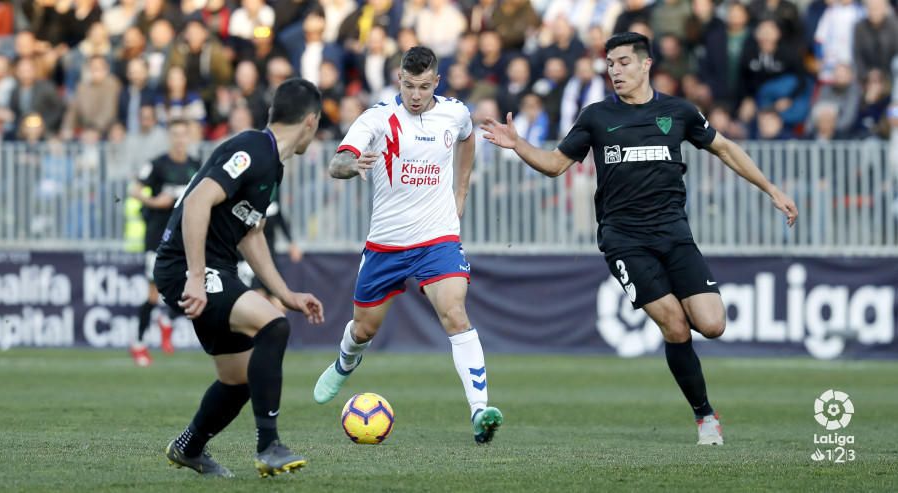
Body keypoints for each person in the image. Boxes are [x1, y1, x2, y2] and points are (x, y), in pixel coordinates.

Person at [481, 32, 798, 446]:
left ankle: (704, 408)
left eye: (624, 62)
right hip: (624, 239)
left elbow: (725, 149)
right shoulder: (595, 116)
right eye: (610, 63)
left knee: (712, 324)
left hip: (675, 234)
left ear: (646, 65)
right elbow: (556, 165)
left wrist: (771, 188)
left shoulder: (678, 111)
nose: (615, 70)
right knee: (673, 324)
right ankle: (705, 417)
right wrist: (519, 145)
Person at [313, 46, 503, 444]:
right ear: (398, 80)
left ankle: (480, 411)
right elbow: (337, 162)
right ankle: (345, 362)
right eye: (408, 85)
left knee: (454, 312)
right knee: (364, 329)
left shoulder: (454, 112)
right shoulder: (377, 118)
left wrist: (461, 189)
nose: (415, 95)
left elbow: (467, 138)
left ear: (436, 82)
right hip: (387, 243)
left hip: (438, 237)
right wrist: (351, 165)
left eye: (423, 86)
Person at [154, 78, 325, 477]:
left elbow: (251, 233)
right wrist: (196, 276)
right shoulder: (251, 149)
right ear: (311, 122)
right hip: (187, 265)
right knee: (274, 327)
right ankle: (269, 447)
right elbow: (197, 202)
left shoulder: (271, 163)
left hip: (216, 268)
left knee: (238, 378)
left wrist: (287, 292)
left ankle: (189, 447)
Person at [129, 119, 201, 367]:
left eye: (184, 135)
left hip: (185, 239)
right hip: (158, 238)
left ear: (189, 137)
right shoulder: (158, 165)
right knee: (153, 292)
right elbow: (134, 189)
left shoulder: (195, 166)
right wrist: (154, 201)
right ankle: (138, 343)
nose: (180, 139)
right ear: (170, 138)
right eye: (176, 135)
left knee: (185, 289)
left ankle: (167, 321)